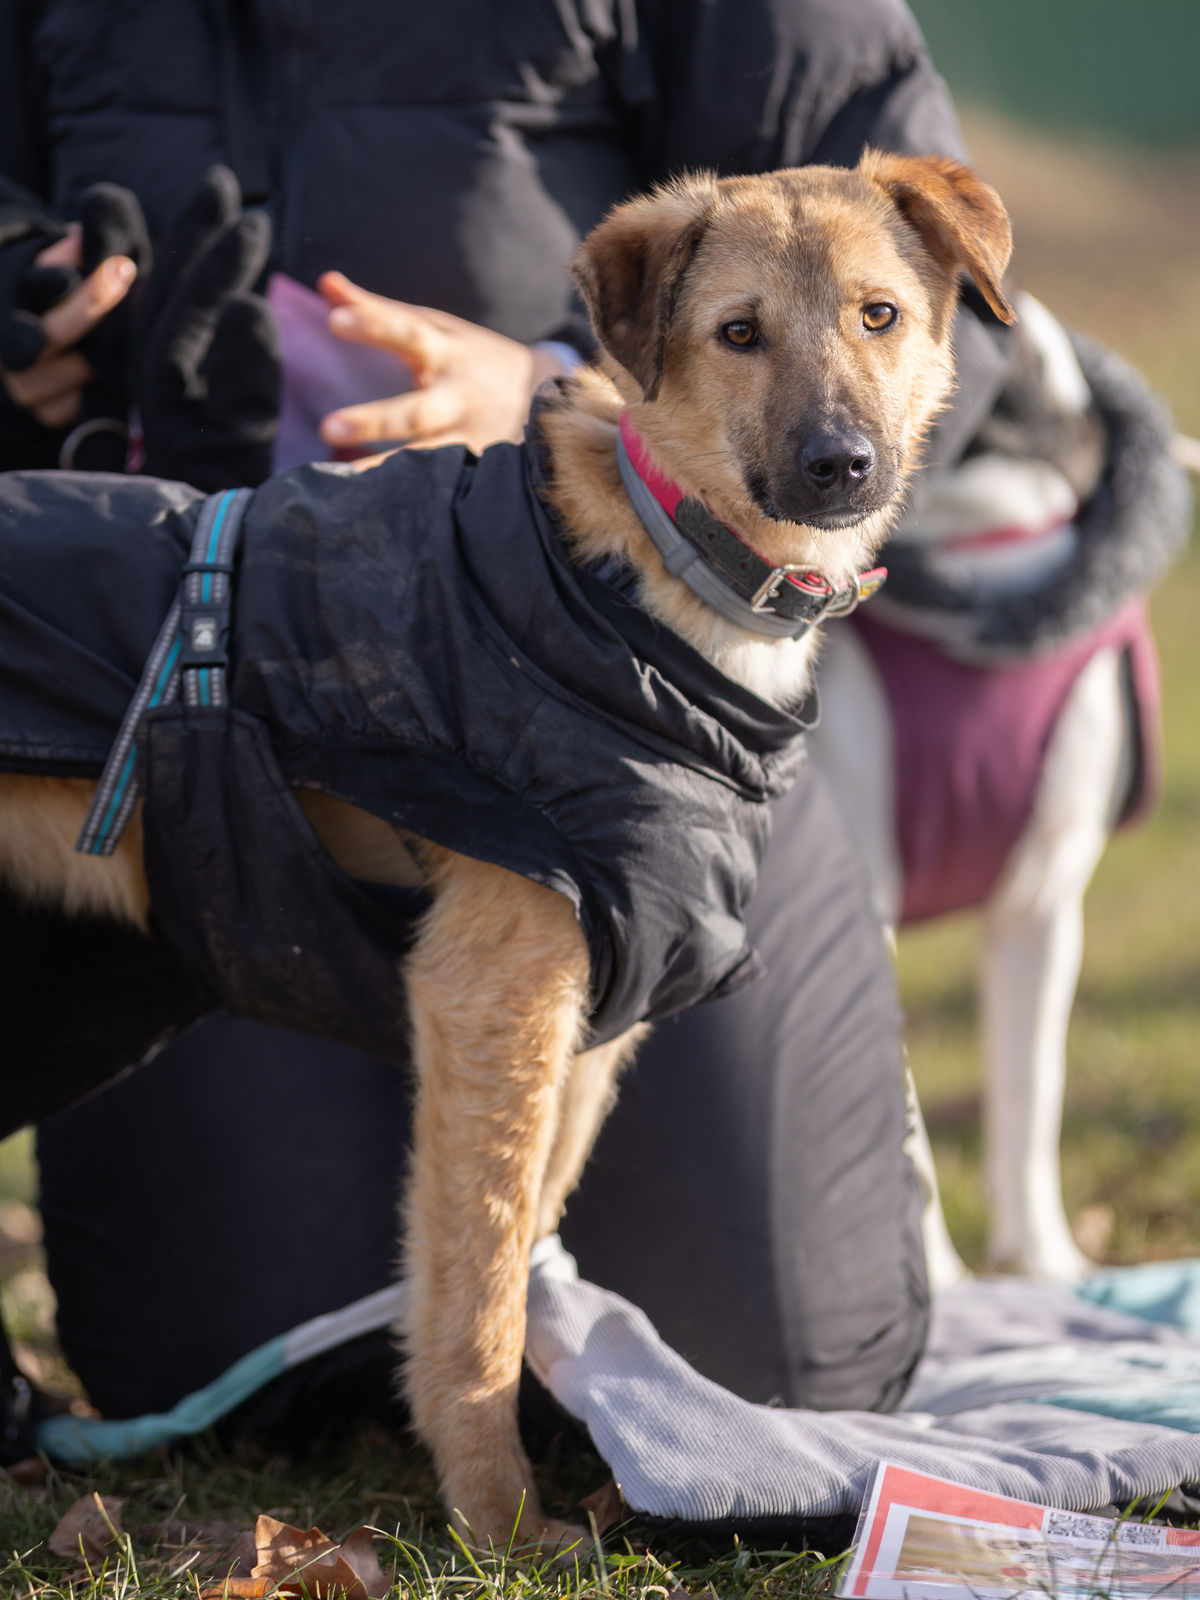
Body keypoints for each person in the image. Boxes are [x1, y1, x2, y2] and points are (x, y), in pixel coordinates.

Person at [0, 0, 1010, 1451]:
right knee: (238, 1368)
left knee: (780, 1364)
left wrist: (559, 397)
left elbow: (930, 337)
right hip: (173, 719)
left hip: (636, 691)